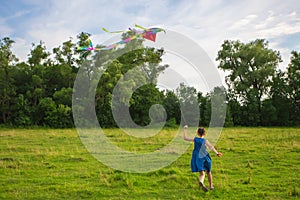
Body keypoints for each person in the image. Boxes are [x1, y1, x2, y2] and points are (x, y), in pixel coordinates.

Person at [183, 125, 222, 192]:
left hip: (197, 158)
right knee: (209, 172)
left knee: (202, 173)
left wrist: (185, 129)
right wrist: (217, 153)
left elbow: (185, 138)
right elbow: (211, 147)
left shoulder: (195, 139)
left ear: (198, 133)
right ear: (204, 133)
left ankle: (201, 182)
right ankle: (211, 186)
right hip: (205, 156)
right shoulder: (204, 140)